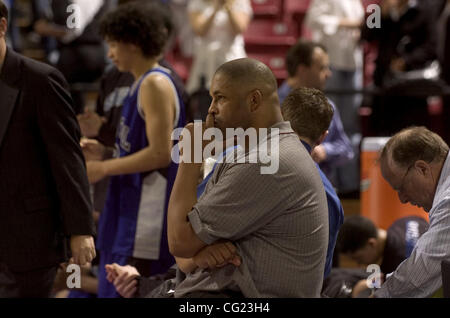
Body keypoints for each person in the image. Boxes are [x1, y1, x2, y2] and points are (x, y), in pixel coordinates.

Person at [168, 58, 329, 297]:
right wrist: (198, 254)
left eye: (220, 98)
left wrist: (191, 157)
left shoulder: (267, 161)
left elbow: (180, 240)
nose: (211, 108)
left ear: (254, 100)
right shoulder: (251, 153)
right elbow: (185, 246)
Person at [86, 2, 186, 298]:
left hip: (147, 215)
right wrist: (106, 153)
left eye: (114, 45)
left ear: (133, 43)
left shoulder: (155, 83)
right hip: (129, 203)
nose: (110, 54)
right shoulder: (140, 82)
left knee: (127, 289)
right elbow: (141, 147)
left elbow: (160, 153)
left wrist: (103, 168)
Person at [0, 1, 96, 297]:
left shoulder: (40, 80)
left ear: (2, 27)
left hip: (29, 239)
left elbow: (67, 159)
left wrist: (80, 230)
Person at [374, 126, 450, 297]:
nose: (402, 199)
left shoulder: (448, 202)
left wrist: (378, 294)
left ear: (422, 169)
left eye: (401, 187)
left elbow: (423, 269)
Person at [281, 87, 345, 279]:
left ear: (279, 122)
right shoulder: (331, 200)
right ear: (323, 136)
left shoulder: (244, 160)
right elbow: (322, 271)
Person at [305, 0, 364, 194]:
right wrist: (345, 23)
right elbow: (313, 20)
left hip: (353, 63)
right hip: (332, 63)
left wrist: (359, 28)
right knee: (327, 123)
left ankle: (350, 185)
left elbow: (369, 22)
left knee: (350, 127)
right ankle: (331, 184)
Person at [278, 40, 354, 191]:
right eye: (322, 68)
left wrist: (325, 151)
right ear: (302, 70)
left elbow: (347, 149)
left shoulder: (328, 107)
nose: (329, 74)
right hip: (281, 191)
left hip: (321, 190)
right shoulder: (273, 106)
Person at [361, 0, 438, 136]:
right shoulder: (380, 10)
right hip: (385, 88)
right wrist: (381, 15)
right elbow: (366, 35)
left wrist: (406, 61)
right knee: (382, 137)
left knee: (413, 137)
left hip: (412, 91)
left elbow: (431, 47)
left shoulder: (424, 9)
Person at [186, 0, 252, 94]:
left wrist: (228, 7)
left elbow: (240, 28)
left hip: (232, 56)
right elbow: (200, 30)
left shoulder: (241, 2)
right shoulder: (197, 2)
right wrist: (216, 8)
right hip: (206, 58)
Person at [338, 215, 429, 274]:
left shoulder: (395, 268)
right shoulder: (405, 221)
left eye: (358, 258)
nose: (359, 264)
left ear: (371, 243)